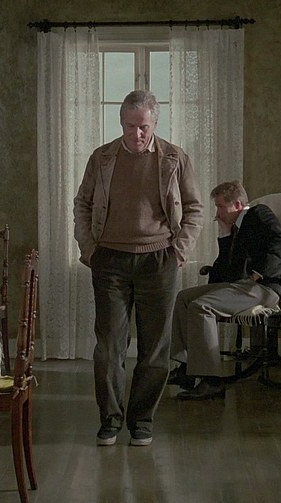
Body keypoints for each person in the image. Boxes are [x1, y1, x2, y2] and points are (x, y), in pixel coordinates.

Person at [74, 90, 203, 446]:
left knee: (155, 347)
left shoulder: (174, 158)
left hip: (159, 260)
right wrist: (89, 249)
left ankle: (142, 421)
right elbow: (82, 204)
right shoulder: (101, 158)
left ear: (155, 123)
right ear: (121, 123)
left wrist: (179, 252)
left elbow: (194, 209)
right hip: (109, 260)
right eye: (131, 126)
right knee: (109, 346)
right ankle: (110, 420)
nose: (137, 134)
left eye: (144, 126)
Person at [168, 180, 281, 400]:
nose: (217, 213)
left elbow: (279, 241)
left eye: (221, 206)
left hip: (262, 288)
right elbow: (227, 272)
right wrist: (225, 235)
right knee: (184, 298)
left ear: (238, 204)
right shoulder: (236, 229)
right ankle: (186, 367)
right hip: (240, 286)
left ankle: (211, 381)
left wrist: (259, 273)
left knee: (201, 306)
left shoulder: (258, 213)